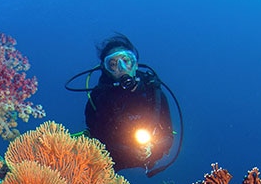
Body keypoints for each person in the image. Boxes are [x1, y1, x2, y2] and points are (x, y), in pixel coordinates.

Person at [65, 34, 182, 176]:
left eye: (126, 61)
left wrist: (153, 147)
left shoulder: (154, 93)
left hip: (149, 156)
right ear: (106, 70)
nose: (122, 68)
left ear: (136, 64)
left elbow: (168, 136)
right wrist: (128, 150)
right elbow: (97, 139)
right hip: (113, 160)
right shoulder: (99, 98)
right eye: (113, 64)